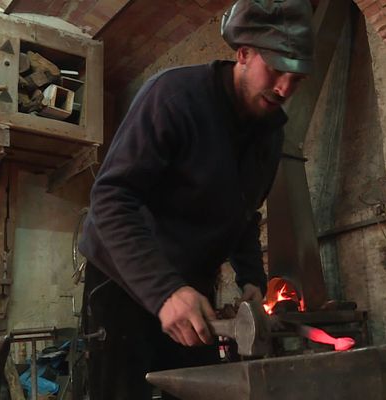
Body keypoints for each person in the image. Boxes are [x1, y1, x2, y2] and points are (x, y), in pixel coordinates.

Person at [78, 0, 314, 398]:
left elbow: (243, 212)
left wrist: (252, 281)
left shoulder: (270, 132)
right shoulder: (173, 97)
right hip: (125, 283)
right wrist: (164, 292)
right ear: (243, 53)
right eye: (275, 70)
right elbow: (111, 198)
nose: (284, 88)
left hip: (192, 293)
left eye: (297, 77)